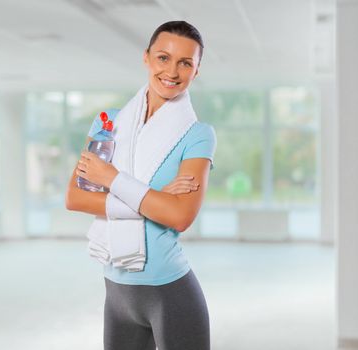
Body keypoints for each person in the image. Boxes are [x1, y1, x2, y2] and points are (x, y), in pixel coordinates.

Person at [65, 20, 216, 350]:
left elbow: (179, 217)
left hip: (171, 294)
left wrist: (111, 179)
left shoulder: (198, 135)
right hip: (116, 292)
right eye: (163, 58)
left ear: (197, 70)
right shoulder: (109, 124)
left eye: (185, 63)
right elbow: (75, 197)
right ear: (146, 58)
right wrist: (156, 199)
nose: (172, 72)